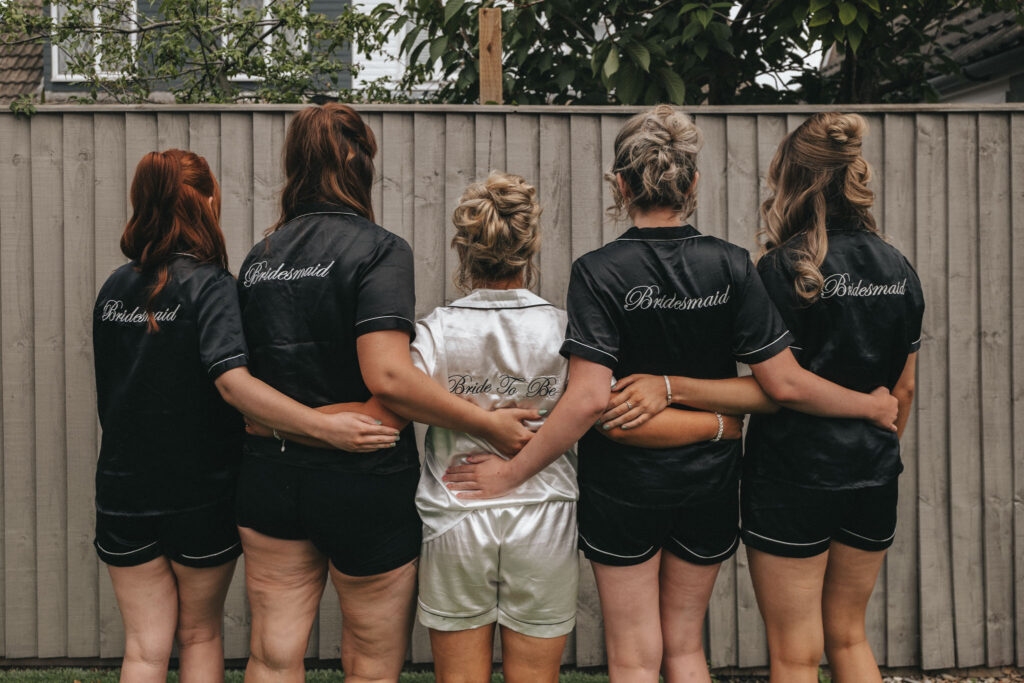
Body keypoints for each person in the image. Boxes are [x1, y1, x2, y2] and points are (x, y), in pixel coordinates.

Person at [446, 105, 899, 683]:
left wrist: (510, 474)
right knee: (686, 649)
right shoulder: (732, 265)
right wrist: (716, 419)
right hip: (708, 486)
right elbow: (774, 389)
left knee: (635, 657)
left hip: (625, 489)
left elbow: (586, 400)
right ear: (692, 183)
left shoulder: (599, 270)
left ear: (620, 184)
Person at [233, 104, 538, 683]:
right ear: (362, 164)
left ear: (294, 164)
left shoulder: (258, 260)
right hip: (363, 483)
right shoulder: (378, 249)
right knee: (371, 662)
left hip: (270, 477)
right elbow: (389, 378)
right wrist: (486, 423)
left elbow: (248, 381)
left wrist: (284, 426)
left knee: (272, 655)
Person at [410, 171, 734, 683]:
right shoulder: (567, 330)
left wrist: (473, 413)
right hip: (546, 516)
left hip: (457, 512)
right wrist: (720, 425)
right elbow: (599, 406)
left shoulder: (436, 330)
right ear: (531, 244)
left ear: (464, 248)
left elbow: (398, 389)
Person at [92, 149, 397, 683]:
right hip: (198, 492)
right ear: (209, 201)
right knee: (199, 634)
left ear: (140, 205)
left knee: (143, 648)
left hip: (121, 491)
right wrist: (326, 428)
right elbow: (234, 385)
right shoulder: (210, 285)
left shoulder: (114, 290)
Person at [739, 113, 923, 683]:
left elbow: (781, 383)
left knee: (795, 652)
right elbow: (905, 387)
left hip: (792, 476)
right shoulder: (898, 266)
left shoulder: (780, 268)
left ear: (793, 179)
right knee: (849, 635)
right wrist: (875, 445)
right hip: (872, 471)